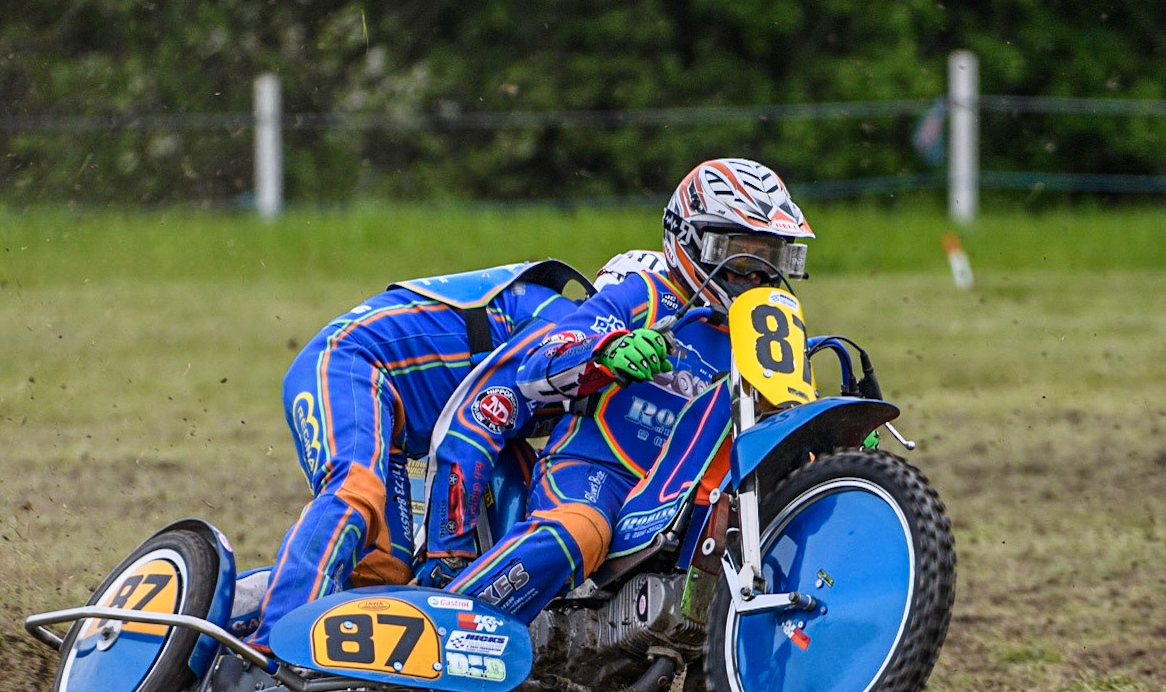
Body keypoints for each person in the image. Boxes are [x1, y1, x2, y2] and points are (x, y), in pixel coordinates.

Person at [442, 158, 815, 621]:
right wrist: (606, 351)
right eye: (739, 257)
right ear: (690, 239)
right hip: (598, 466)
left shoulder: (765, 334)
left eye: (771, 258)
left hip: (692, 489)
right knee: (579, 532)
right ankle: (446, 620)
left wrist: (833, 443)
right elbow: (536, 367)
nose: (755, 275)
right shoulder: (645, 294)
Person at [244, 260, 586, 653]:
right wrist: (449, 552)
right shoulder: (568, 332)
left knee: (383, 568)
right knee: (354, 492)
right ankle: (273, 647)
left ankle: (224, 610)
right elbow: (468, 433)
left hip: (390, 416)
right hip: (347, 364)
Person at [414, 250, 665, 587]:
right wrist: (447, 552)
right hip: (411, 414)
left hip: (445, 435)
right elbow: (473, 427)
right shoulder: (563, 326)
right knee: (384, 561)